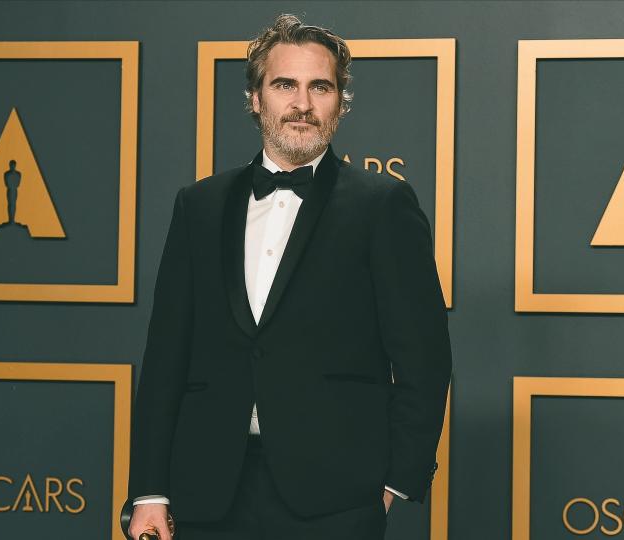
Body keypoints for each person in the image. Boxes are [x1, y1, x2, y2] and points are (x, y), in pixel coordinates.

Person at [127, 13, 451, 540]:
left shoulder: (384, 206)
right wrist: (149, 490)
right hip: (207, 490)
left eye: (319, 87)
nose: (302, 103)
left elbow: (424, 355)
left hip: (337, 498)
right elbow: (167, 354)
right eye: (285, 85)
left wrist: (397, 480)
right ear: (255, 99)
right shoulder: (199, 206)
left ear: (339, 104)